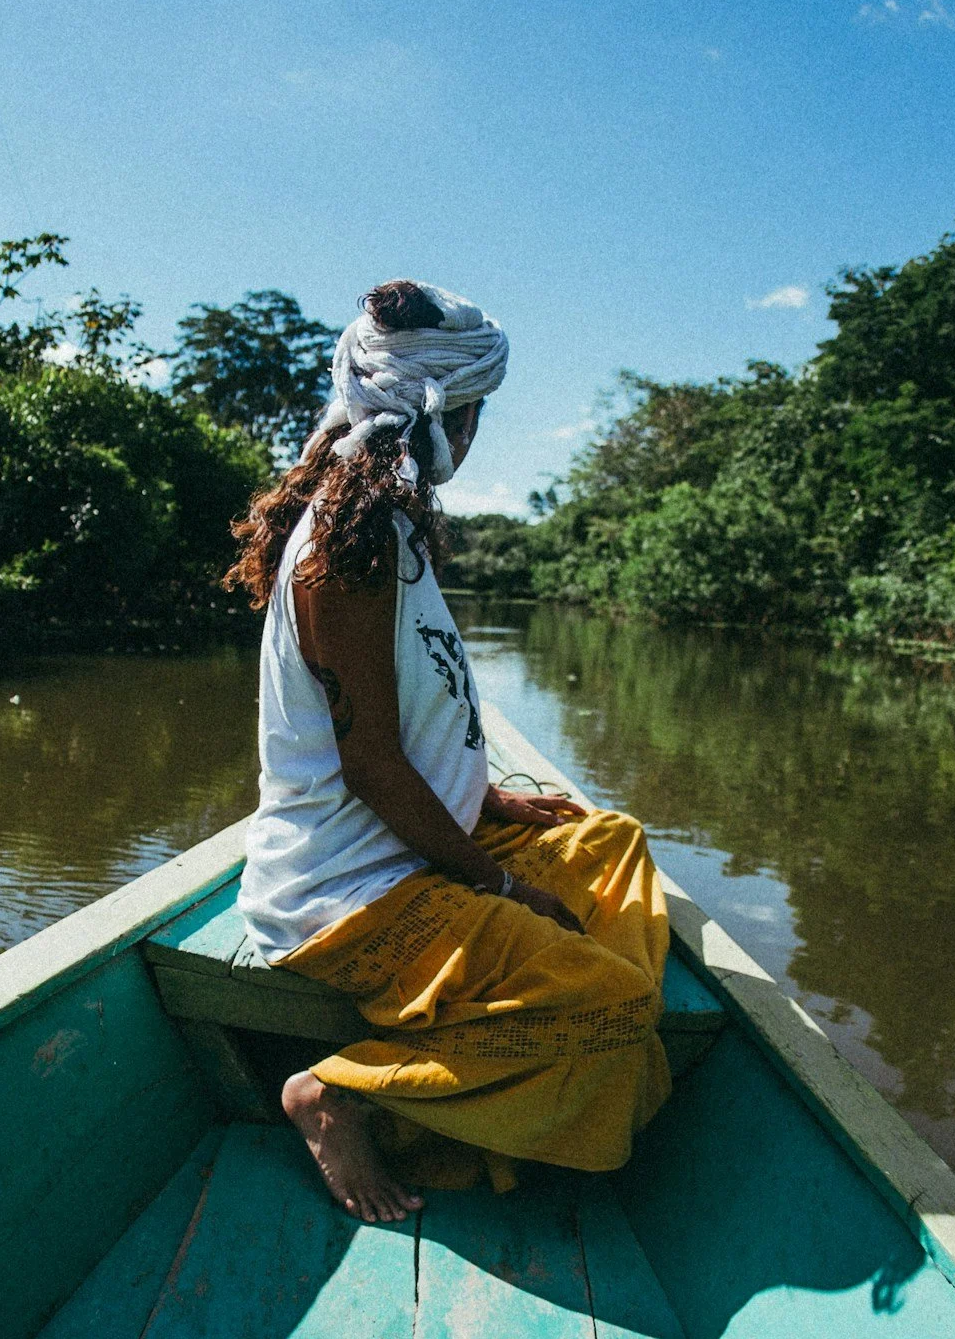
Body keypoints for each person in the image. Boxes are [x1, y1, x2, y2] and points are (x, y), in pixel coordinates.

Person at [223, 279, 674, 1223]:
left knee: (610, 840)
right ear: (448, 417)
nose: (474, 437)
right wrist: (503, 889)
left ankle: (544, 1008)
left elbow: (417, 728)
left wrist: (492, 804)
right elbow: (373, 768)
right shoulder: (348, 548)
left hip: (414, 846)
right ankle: (344, 1091)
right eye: (475, 415)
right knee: (618, 1005)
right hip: (344, 897)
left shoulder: (384, 522)